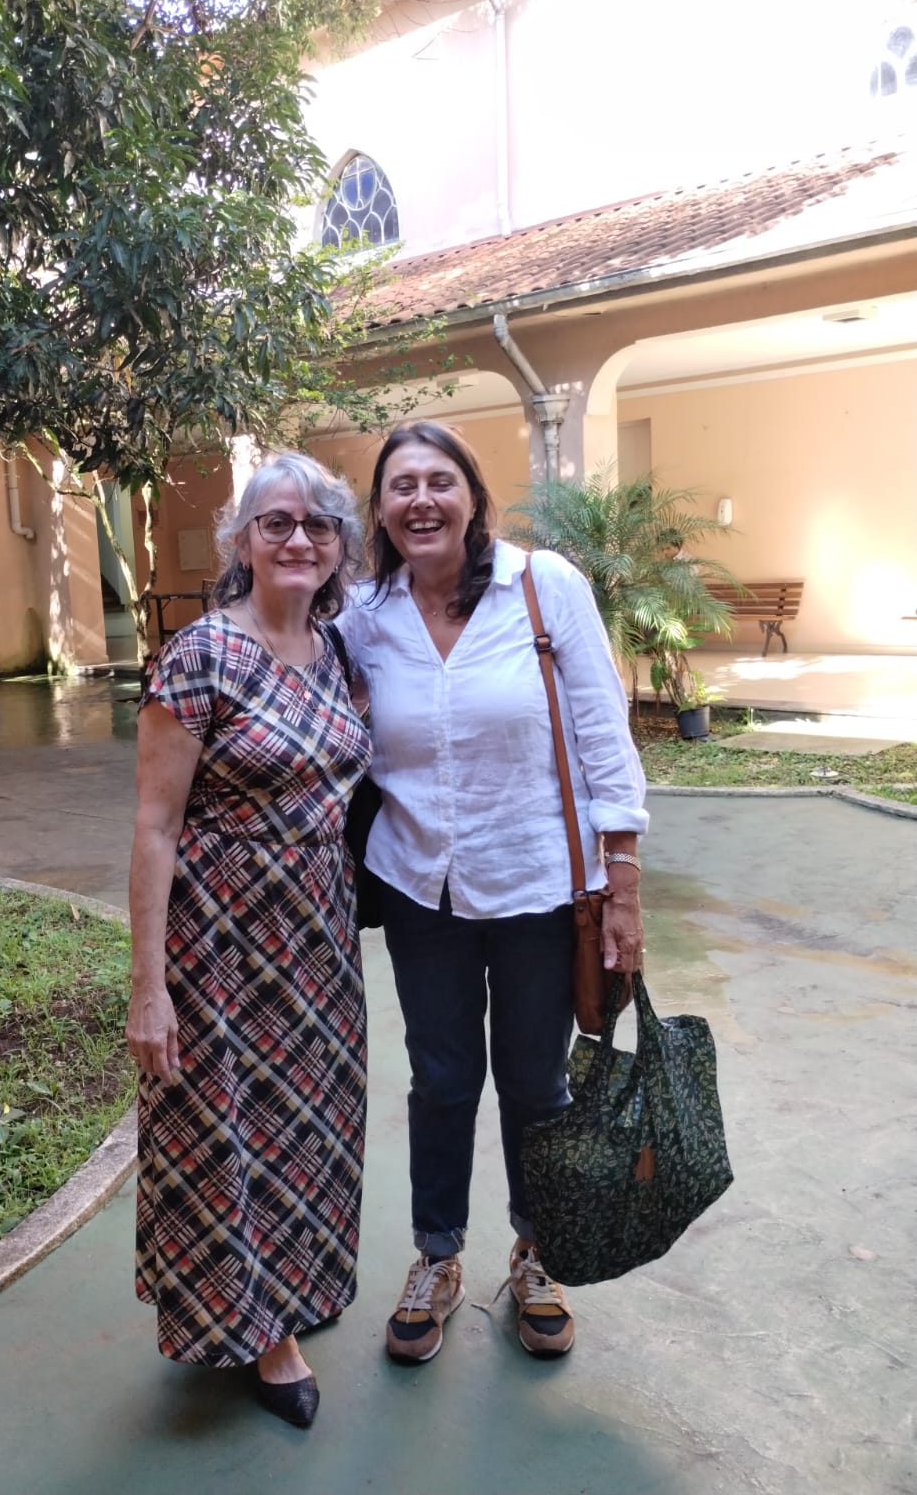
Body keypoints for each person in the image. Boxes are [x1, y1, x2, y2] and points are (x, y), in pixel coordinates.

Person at [336, 421, 648, 1364]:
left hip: (537, 885)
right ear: (380, 511)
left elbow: (603, 733)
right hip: (418, 885)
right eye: (401, 486)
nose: (421, 500)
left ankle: (536, 1251)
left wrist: (623, 883)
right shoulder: (365, 613)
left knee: (535, 1084)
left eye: (440, 480)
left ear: (472, 495)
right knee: (440, 1081)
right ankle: (437, 1256)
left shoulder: (542, 586)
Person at [126, 452, 371, 1428]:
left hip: (318, 931)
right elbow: (154, 826)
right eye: (276, 522)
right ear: (242, 541)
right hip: (219, 936)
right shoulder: (201, 655)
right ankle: (264, 1333)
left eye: (318, 524)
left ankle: (295, 1284)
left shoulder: (335, 649)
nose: (298, 538)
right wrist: (149, 987)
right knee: (229, 1129)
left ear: (340, 544)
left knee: (312, 1122)